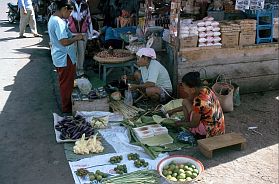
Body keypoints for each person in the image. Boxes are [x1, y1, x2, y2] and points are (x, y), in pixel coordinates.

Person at [48, 0, 85, 113]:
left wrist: (75, 36)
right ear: (64, 9)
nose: (69, 16)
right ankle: (67, 108)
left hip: (60, 56)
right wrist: (76, 38)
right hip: (65, 57)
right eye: (69, 12)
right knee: (66, 84)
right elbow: (64, 41)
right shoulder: (58, 22)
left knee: (65, 82)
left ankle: (67, 105)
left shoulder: (52, 19)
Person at [167, 72, 225, 138]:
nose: (184, 90)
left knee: (189, 109)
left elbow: (194, 124)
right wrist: (172, 111)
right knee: (185, 101)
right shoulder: (206, 89)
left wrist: (180, 124)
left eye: (184, 88)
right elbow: (187, 103)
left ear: (192, 90)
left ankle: (189, 126)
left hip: (210, 132)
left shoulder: (199, 102)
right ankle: (187, 121)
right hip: (219, 127)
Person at [68, 0, 97, 77]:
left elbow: (89, 19)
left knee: (81, 53)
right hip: (71, 33)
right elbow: (65, 19)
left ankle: (80, 71)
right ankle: (72, 72)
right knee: (72, 53)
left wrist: (90, 34)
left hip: (83, 34)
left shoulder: (85, 5)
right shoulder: (69, 4)